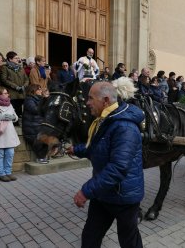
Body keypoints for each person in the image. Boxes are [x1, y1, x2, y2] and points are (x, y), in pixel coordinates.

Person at [66, 81, 144, 248]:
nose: (87, 103)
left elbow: (118, 168)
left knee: (129, 242)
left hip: (124, 197)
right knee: (90, 237)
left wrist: (86, 191)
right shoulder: (106, 120)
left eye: (90, 98)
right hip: (103, 194)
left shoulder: (125, 127)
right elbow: (96, 147)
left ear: (106, 100)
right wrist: (76, 149)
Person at [22, 84, 49, 164]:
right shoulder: (29, 100)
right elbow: (35, 110)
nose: (41, 91)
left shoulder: (40, 99)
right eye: (39, 89)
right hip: (31, 126)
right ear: (33, 90)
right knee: (39, 140)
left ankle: (43, 156)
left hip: (39, 124)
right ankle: (40, 157)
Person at [0, 51, 29, 119]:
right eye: (16, 58)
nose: (18, 59)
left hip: (22, 92)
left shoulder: (21, 68)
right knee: (13, 109)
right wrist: (16, 87)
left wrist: (24, 86)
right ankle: (13, 123)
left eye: (18, 58)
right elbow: (4, 80)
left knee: (19, 109)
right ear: (10, 59)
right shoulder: (5, 68)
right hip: (12, 93)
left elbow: (26, 79)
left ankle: (18, 120)